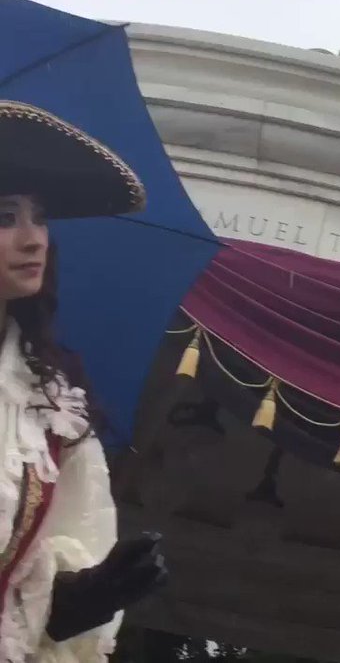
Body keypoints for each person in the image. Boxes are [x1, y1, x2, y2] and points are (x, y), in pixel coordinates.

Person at [0, 101, 166, 661]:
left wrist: (75, 600)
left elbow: (74, 532)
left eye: (40, 217)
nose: (34, 239)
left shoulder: (50, 398)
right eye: (6, 217)